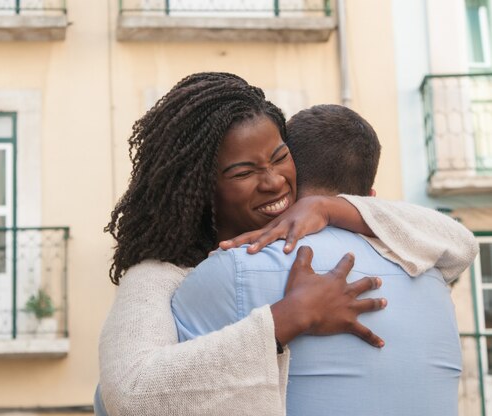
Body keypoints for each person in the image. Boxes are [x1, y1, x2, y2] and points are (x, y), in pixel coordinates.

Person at [97, 73, 477, 415]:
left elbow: (458, 240)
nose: (274, 182)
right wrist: (286, 318)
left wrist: (330, 207)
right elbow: (129, 394)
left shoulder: (310, 226)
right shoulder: (157, 275)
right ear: (198, 189)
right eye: (244, 172)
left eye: (280, 158)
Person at [172, 104, 464, 415]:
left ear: (288, 179)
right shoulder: (433, 276)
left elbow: (156, 394)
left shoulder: (234, 268)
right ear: (372, 199)